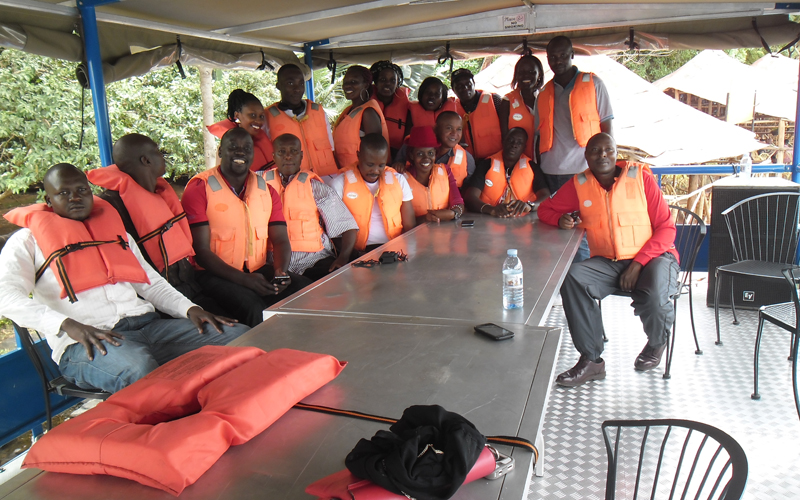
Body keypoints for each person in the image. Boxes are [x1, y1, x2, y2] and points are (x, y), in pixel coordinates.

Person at [0, 163, 249, 393]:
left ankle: (237, 406)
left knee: (239, 336)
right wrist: (67, 324)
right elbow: (5, 296)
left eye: (82, 190)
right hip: (88, 343)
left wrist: (190, 309)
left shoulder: (117, 234)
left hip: (149, 328)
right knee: (139, 369)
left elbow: (150, 283)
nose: (75, 197)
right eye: (64, 193)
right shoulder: (27, 242)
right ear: (48, 200)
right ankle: (179, 424)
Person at [538, 133, 679, 387]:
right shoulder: (579, 184)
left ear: (616, 154)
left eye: (608, 150)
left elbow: (667, 229)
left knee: (654, 296)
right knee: (572, 278)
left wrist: (637, 264)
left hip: (655, 257)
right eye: (595, 150)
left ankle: (657, 342)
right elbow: (545, 209)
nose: (602, 155)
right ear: (586, 156)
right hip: (610, 262)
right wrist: (560, 219)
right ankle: (591, 360)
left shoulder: (641, 178)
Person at [181, 128, 312, 327]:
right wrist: (243, 280)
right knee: (254, 307)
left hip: (256, 270)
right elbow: (201, 251)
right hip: (212, 273)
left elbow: (280, 239)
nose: (240, 152)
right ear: (220, 151)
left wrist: (280, 271)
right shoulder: (199, 188)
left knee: (305, 290)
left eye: (247, 148)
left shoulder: (267, 190)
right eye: (233, 147)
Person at [87, 134, 224, 315]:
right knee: (231, 323)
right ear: (146, 160)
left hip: (190, 283)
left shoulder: (159, 191)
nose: (163, 157)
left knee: (244, 307)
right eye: (158, 152)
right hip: (161, 300)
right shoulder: (111, 208)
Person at [260, 134, 359, 281]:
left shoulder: (315, 187)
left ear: (301, 156)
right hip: (272, 261)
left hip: (314, 259)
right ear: (273, 156)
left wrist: (343, 258)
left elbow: (347, 226)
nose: (288, 156)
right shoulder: (259, 184)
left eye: (293, 151)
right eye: (282, 152)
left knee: (339, 282)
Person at [538, 36, 614, 194]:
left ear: (572, 54)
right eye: (553, 57)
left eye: (563, 55)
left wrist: (608, 165)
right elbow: (537, 136)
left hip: (584, 168)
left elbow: (607, 126)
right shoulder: (543, 93)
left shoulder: (594, 84)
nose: (558, 61)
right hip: (549, 171)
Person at [329, 134, 416, 254]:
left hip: (395, 248)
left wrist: (408, 252)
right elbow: (334, 231)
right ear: (359, 155)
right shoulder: (340, 184)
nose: (375, 171)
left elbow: (409, 225)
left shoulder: (399, 180)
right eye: (370, 165)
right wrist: (352, 255)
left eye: (381, 165)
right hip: (359, 252)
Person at [265, 64, 337, 177]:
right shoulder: (268, 116)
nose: (297, 88)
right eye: (290, 83)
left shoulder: (318, 111)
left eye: (301, 83)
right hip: (293, 182)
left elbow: (331, 148)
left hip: (328, 178)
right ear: (278, 86)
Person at [463, 128, 549, 218]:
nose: (514, 145)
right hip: (489, 220)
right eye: (511, 140)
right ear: (503, 142)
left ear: (524, 147)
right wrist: (491, 209)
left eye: (519, 143)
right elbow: (470, 197)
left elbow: (546, 196)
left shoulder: (532, 167)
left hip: (524, 220)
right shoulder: (486, 164)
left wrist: (530, 206)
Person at [391, 111, 475, 188]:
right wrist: (398, 165)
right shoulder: (413, 145)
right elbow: (396, 167)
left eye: (459, 129)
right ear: (436, 129)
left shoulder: (467, 159)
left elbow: (468, 188)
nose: (454, 133)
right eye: (449, 128)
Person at [401, 127, 464, 224]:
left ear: (435, 154)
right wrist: (425, 218)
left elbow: (458, 202)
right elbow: (401, 220)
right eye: (420, 154)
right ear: (412, 155)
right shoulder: (402, 179)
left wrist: (453, 213)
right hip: (417, 232)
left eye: (430, 153)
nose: (426, 158)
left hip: (446, 231)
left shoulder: (445, 171)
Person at [333, 65, 389, 169]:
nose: (347, 85)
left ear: (366, 85)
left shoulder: (368, 112)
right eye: (345, 82)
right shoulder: (348, 110)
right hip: (344, 173)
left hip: (361, 174)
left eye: (354, 82)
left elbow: (375, 152)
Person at [207, 89, 274, 171]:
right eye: (252, 115)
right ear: (237, 115)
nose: (258, 121)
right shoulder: (227, 145)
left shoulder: (264, 138)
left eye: (261, 116)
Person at [498, 54, 545, 163]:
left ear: (539, 75)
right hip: (519, 164)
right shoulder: (507, 101)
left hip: (545, 162)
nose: (526, 76)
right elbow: (504, 139)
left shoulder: (547, 98)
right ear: (516, 75)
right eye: (521, 72)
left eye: (531, 72)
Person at [451, 68, 503, 162]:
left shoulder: (495, 100)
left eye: (468, 84)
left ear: (474, 83)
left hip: (497, 160)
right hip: (470, 162)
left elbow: (509, 129)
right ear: (453, 90)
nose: (465, 88)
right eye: (459, 86)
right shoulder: (453, 109)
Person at [370, 60, 411, 159]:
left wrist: (400, 160)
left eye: (392, 80)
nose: (387, 83)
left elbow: (408, 140)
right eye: (383, 79)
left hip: (397, 157)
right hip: (370, 155)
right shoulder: (365, 104)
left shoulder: (407, 109)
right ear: (376, 82)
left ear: (397, 83)